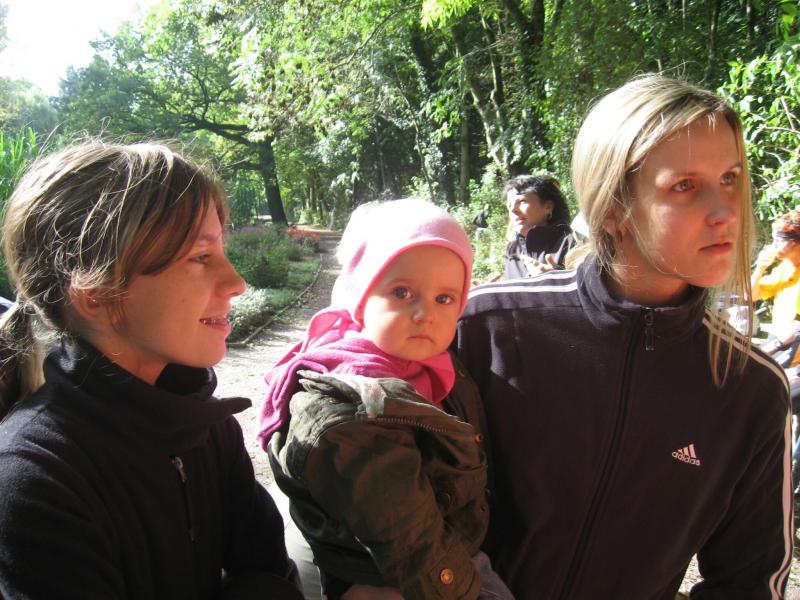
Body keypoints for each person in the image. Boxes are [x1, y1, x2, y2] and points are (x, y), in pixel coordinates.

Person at [456, 74, 793, 599]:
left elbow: (749, 582)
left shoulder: (751, 388)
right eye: (685, 185)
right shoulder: (487, 328)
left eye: (730, 178)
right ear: (612, 210)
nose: (727, 211)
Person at [0, 142, 302, 599]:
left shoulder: (206, 425)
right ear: (97, 295)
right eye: (200, 257)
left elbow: (268, 570)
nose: (237, 283)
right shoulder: (36, 481)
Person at [258, 199, 513, 600]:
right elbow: (407, 535)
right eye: (402, 292)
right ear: (361, 296)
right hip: (398, 577)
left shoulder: (431, 365)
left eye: (444, 298)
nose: (424, 313)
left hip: (445, 554)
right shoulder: (353, 404)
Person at [751, 209, 800, 365]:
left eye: (779, 240)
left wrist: (774, 347)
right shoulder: (785, 268)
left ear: (795, 241)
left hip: (792, 349)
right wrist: (760, 268)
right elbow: (751, 296)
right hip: (780, 341)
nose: (774, 245)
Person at [502, 174, 575, 278]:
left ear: (548, 207)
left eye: (522, 201)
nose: (513, 210)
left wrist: (556, 278)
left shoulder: (571, 243)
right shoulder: (512, 252)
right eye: (509, 206)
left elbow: (588, 286)